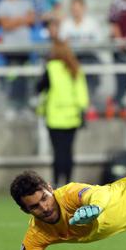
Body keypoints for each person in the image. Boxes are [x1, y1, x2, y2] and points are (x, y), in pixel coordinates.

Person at [36, 25, 89, 186]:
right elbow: (82, 94)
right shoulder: (75, 69)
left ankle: (56, 184)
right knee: (68, 152)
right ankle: (68, 184)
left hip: (54, 116)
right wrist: (82, 111)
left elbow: (39, 88)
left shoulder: (51, 68)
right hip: (72, 116)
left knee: (58, 153)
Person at [60, 0, 104, 102]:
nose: (76, 11)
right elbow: (62, 43)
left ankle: (90, 101)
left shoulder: (92, 23)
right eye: (74, 9)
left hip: (89, 56)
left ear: (84, 8)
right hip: (72, 58)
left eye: (78, 9)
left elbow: (99, 42)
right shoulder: (66, 24)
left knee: (93, 67)